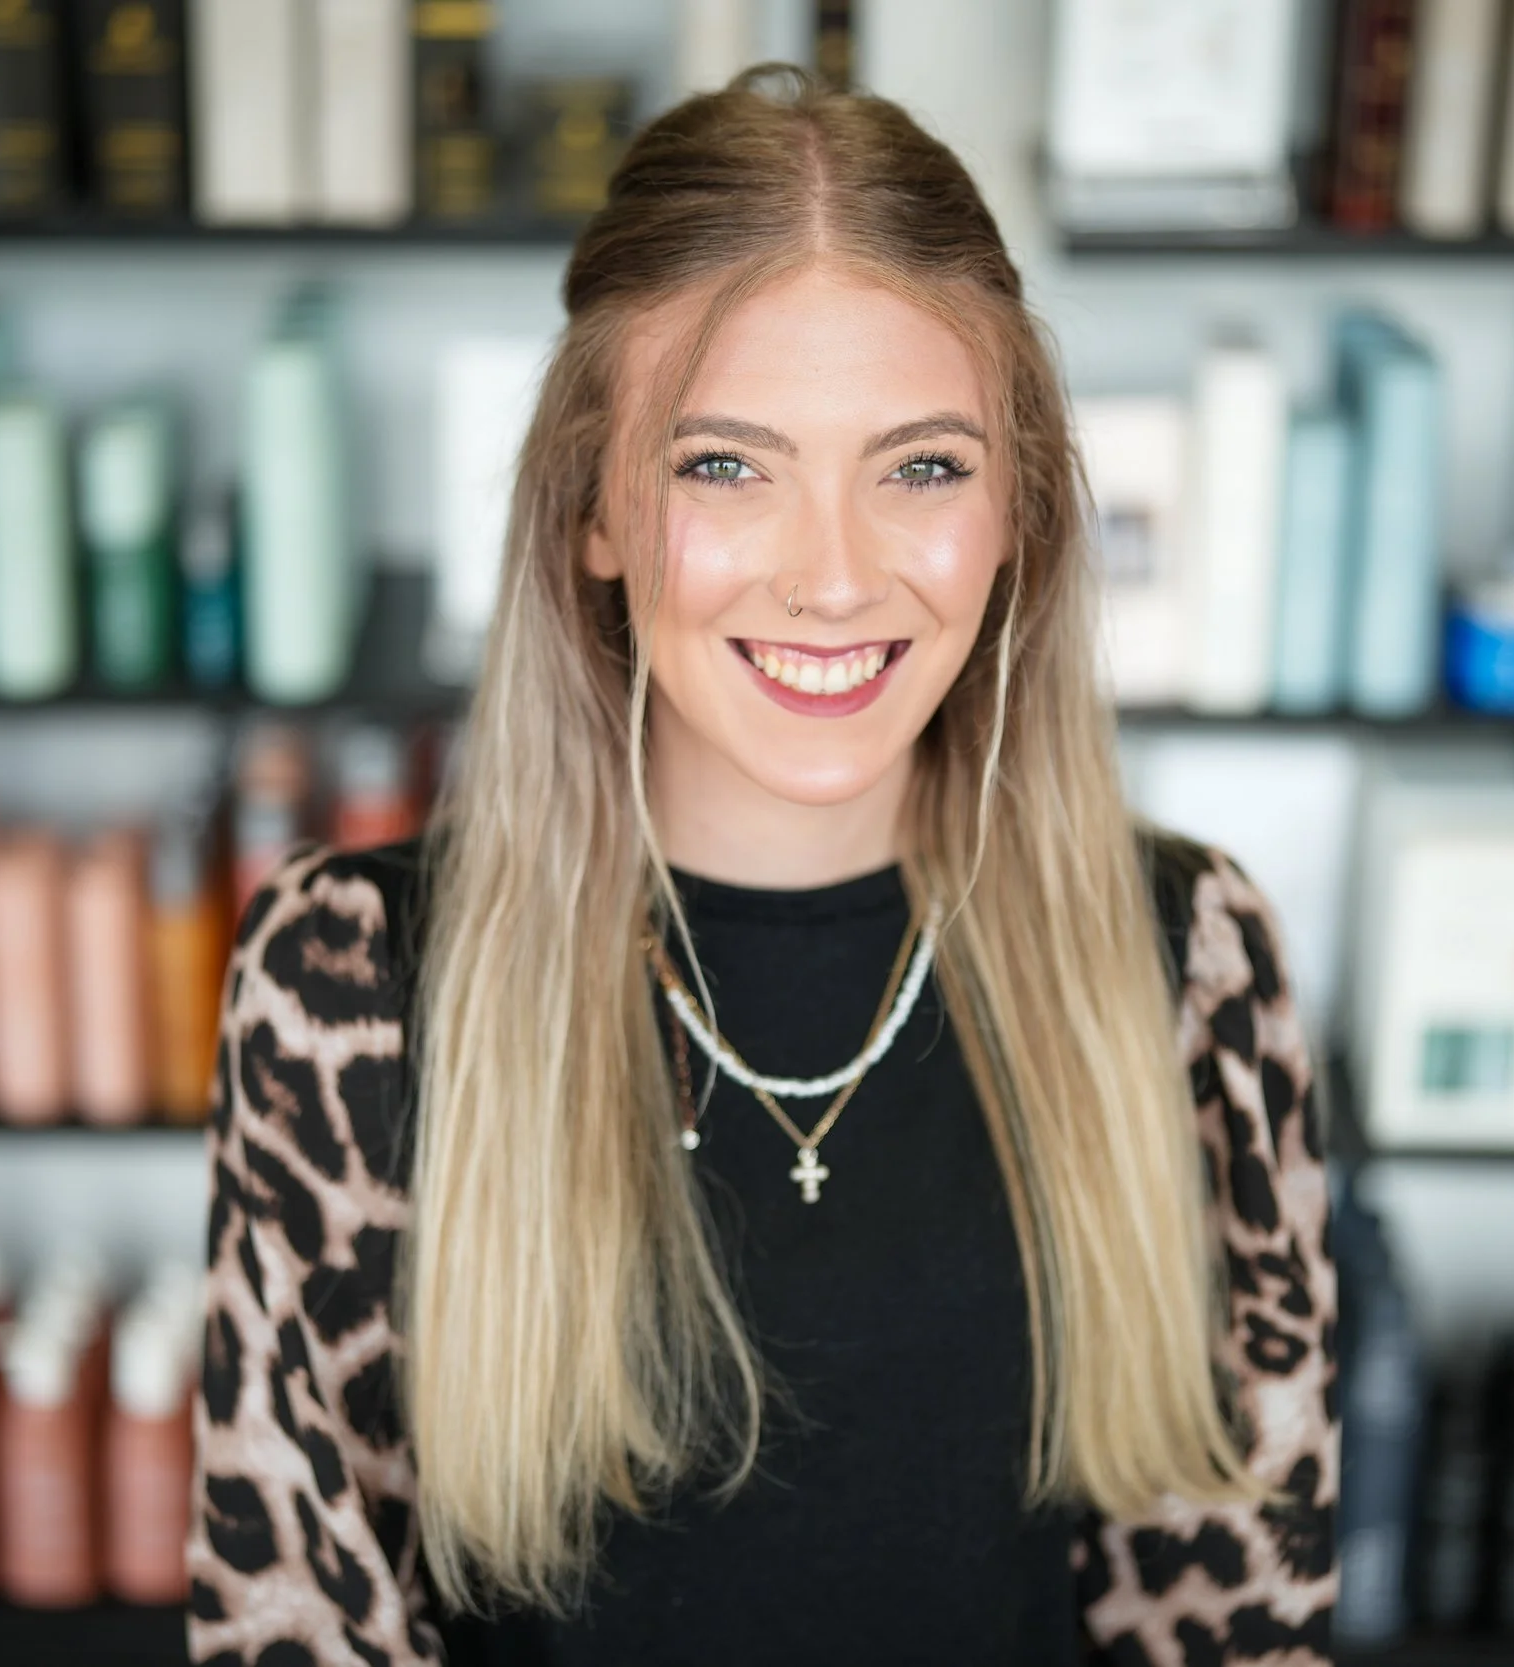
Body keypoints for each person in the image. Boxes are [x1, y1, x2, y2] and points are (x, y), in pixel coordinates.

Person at [188, 68, 1336, 1667]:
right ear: (594, 503)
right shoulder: (351, 988)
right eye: (725, 464)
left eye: (923, 466)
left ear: (1020, 511)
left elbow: (1231, 1609)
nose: (834, 573)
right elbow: (300, 1616)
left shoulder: (1191, 958)